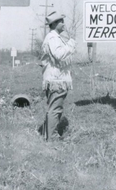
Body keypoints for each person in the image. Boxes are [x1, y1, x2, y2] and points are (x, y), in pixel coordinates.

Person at [39, 11, 76, 141]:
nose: (63, 24)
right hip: (56, 79)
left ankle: (47, 136)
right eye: (61, 21)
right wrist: (71, 44)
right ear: (54, 24)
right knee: (56, 109)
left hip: (55, 78)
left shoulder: (53, 37)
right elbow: (59, 55)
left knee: (53, 108)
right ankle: (52, 139)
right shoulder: (53, 38)